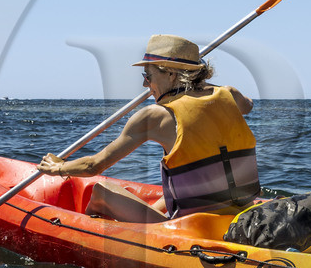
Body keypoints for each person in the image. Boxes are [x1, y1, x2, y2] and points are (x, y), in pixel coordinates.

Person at [37, 35, 259, 222]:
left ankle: (87, 244)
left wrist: (59, 168)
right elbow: (248, 105)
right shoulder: (229, 95)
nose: (145, 85)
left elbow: (94, 165)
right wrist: (203, 87)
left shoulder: (155, 116)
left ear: (171, 74)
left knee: (100, 193)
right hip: (242, 217)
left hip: (192, 227)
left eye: (148, 76)